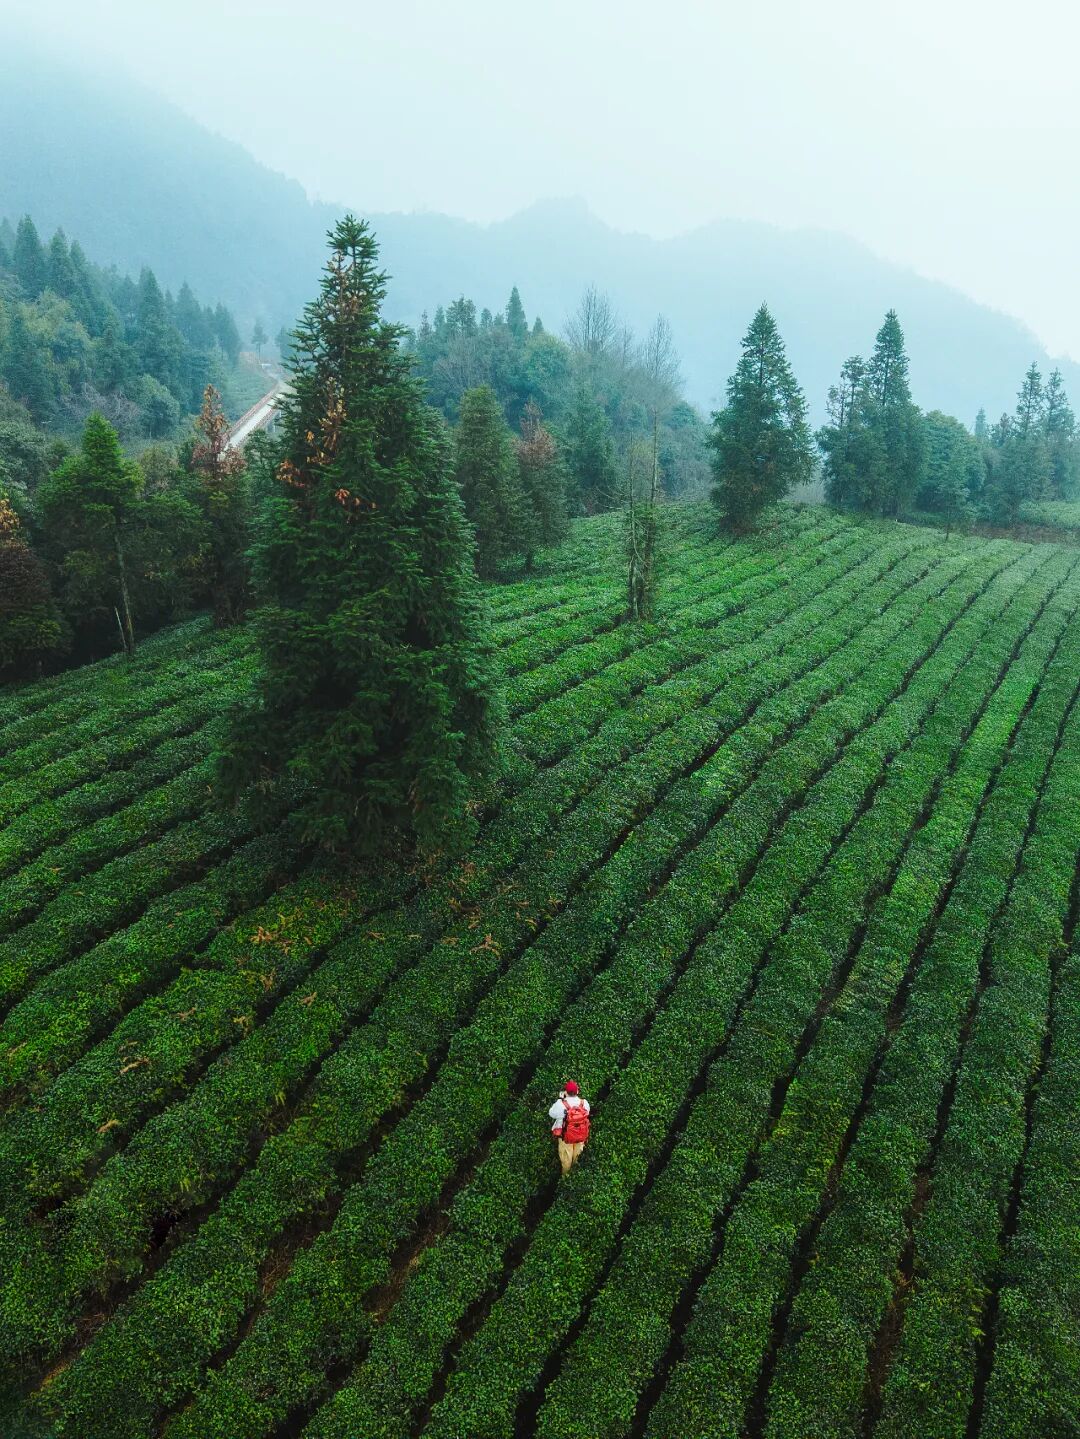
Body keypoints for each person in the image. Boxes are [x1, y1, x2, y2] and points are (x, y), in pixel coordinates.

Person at [549, 1080, 591, 1176]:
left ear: (566, 1092)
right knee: (578, 1157)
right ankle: (575, 1177)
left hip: (565, 1137)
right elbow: (587, 1113)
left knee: (566, 1160)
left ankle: (565, 1177)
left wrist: (560, 1099)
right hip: (580, 1135)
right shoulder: (584, 1103)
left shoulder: (561, 1104)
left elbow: (551, 1113)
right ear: (577, 1091)